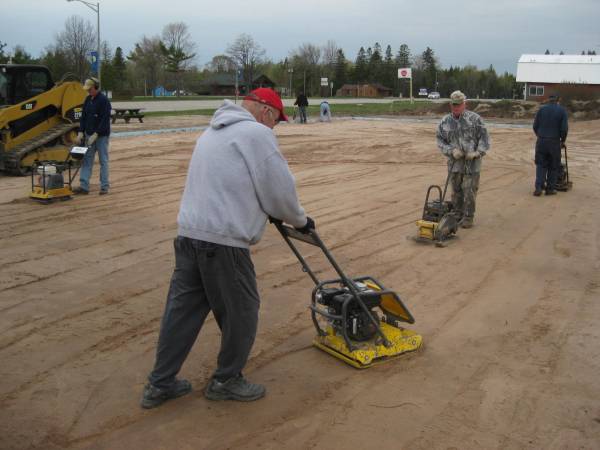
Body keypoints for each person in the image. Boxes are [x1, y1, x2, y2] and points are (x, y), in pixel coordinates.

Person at [141, 88, 314, 409]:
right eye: (277, 120)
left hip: (189, 236)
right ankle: (226, 380)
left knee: (181, 314)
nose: (275, 127)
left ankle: (159, 383)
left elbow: (233, 181)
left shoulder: (212, 131)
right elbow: (279, 190)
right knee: (242, 312)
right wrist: (300, 221)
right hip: (223, 243)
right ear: (266, 111)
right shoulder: (256, 134)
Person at [436, 90, 490, 229]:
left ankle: (468, 217)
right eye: (454, 105)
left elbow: (485, 139)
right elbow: (440, 141)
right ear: (450, 104)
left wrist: (477, 153)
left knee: (469, 191)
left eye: (459, 104)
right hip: (455, 164)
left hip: (472, 164)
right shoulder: (444, 122)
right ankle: (457, 214)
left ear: (464, 104)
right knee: (456, 191)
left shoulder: (475, 120)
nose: (456, 107)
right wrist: (451, 150)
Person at [74, 77, 111, 195]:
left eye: (90, 89)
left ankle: (104, 186)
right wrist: (80, 132)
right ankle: (84, 186)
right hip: (88, 135)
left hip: (101, 137)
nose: (88, 91)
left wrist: (96, 134)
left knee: (103, 161)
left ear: (96, 87)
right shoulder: (87, 100)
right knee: (87, 161)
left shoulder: (104, 101)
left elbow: (104, 120)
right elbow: (83, 117)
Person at [532, 94, 568, 196]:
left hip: (541, 141)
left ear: (548, 100)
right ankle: (550, 189)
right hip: (554, 141)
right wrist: (562, 141)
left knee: (541, 164)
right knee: (553, 165)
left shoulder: (541, 110)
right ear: (558, 100)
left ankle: (539, 187)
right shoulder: (562, 111)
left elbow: (535, 126)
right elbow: (564, 129)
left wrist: (540, 136)